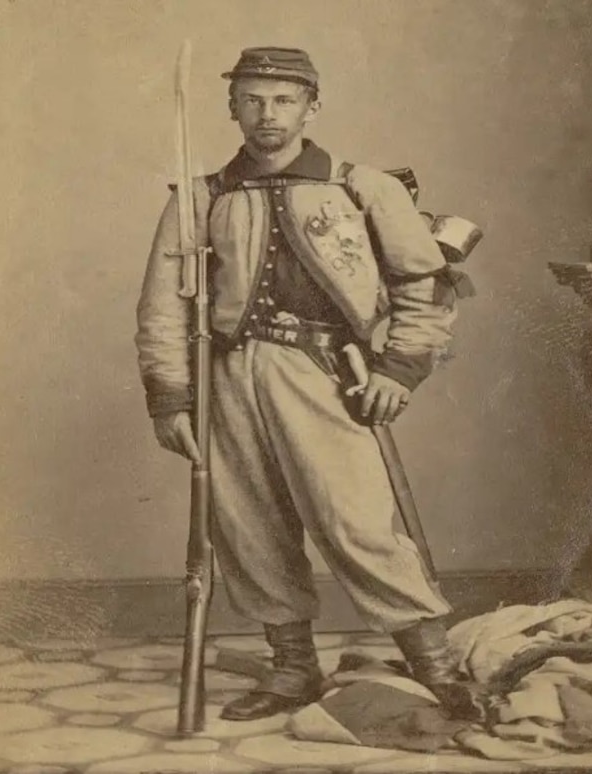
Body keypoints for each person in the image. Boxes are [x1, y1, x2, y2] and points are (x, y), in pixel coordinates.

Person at [136, 47, 468, 721]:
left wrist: (398, 370)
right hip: (226, 378)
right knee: (248, 527)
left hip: (322, 376)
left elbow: (422, 283)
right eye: (252, 100)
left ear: (312, 105)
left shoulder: (360, 186)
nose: (267, 114)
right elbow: (162, 307)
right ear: (233, 108)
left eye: (283, 99)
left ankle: (435, 666)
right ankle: (292, 669)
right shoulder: (202, 196)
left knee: (355, 523)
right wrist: (170, 397)